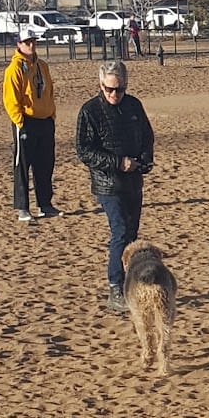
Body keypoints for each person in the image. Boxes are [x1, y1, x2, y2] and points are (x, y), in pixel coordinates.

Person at [75, 59, 156, 310]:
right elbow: (84, 150)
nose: (113, 94)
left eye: (119, 89)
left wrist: (143, 161)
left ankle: (129, 285)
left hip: (133, 181)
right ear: (100, 86)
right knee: (120, 232)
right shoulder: (89, 111)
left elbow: (147, 136)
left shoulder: (134, 106)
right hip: (108, 184)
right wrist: (118, 163)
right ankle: (115, 287)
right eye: (108, 89)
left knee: (132, 235)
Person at [2, 26, 59, 223]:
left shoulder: (42, 65)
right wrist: (20, 122)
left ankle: (45, 204)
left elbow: (49, 90)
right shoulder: (15, 69)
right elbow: (11, 99)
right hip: (26, 121)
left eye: (33, 41)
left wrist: (51, 114)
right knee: (23, 165)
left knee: (45, 164)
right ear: (19, 44)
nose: (31, 45)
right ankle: (22, 207)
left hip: (45, 120)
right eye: (27, 42)